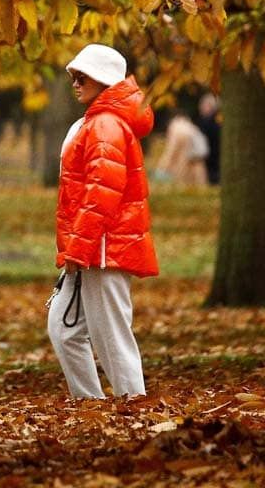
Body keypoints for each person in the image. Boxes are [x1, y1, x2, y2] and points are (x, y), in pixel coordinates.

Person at [48, 43, 158, 399]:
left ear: (103, 80)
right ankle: (90, 407)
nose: (75, 82)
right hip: (92, 248)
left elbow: (101, 194)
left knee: (112, 335)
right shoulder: (97, 121)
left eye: (83, 76)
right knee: (64, 330)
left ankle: (134, 410)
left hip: (104, 249)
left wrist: (78, 250)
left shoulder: (106, 125)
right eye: (74, 76)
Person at [152, 109, 208, 185]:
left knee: (182, 176)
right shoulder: (190, 126)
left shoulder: (175, 127)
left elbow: (170, 152)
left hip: (189, 158)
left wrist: (160, 169)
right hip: (197, 158)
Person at [196, 93, 220, 185]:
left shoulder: (207, 122)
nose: (201, 107)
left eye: (203, 105)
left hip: (210, 160)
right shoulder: (218, 121)